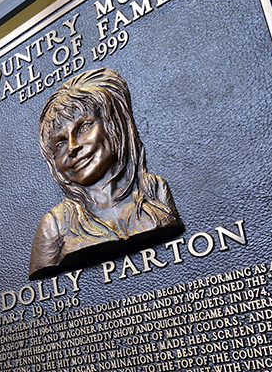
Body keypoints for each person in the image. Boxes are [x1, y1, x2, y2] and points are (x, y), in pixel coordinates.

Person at [30, 68, 180, 279]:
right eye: (61, 142)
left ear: (114, 126)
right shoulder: (55, 226)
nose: (72, 147)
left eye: (83, 127)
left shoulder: (156, 191)